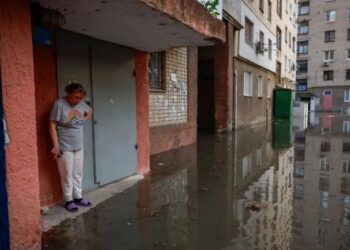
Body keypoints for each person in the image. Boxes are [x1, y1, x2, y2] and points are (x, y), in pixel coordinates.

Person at [49, 83, 93, 212]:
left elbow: (90, 111)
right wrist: (56, 145)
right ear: (68, 94)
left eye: (80, 98)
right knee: (67, 173)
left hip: (78, 144)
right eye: (76, 97)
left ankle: (78, 197)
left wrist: (83, 120)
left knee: (78, 172)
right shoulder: (59, 104)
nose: (78, 100)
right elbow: (51, 125)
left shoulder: (81, 103)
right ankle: (69, 200)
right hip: (64, 145)